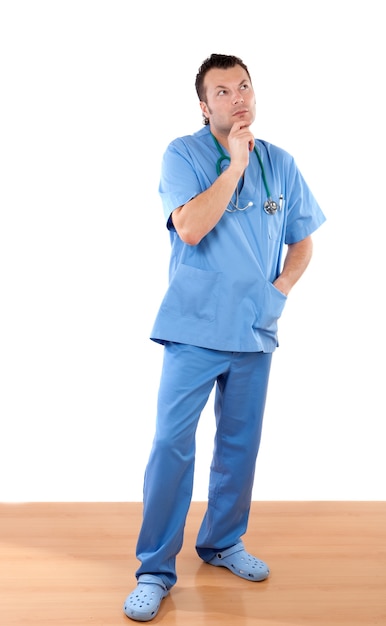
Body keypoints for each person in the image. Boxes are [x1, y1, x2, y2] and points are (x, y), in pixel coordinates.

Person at [123, 53, 326, 622]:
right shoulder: (182, 155)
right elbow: (188, 228)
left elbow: (303, 240)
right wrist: (233, 166)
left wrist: (278, 293)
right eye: (221, 91)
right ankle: (155, 570)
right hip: (193, 327)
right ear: (203, 104)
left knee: (239, 447)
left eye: (244, 86)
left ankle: (221, 543)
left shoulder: (281, 163)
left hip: (254, 329)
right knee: (172, 446)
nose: (237, 97)